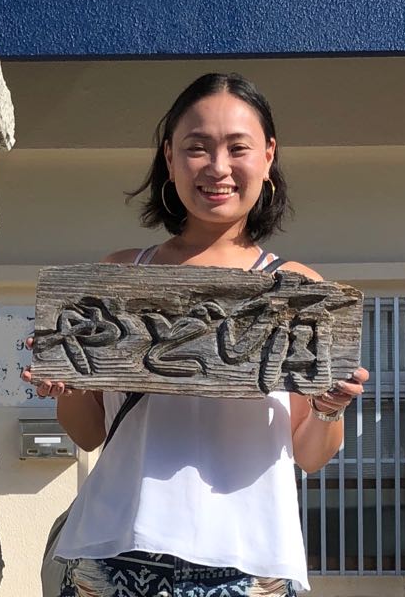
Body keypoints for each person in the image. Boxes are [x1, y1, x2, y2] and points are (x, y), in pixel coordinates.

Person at [21, 72, 370, 596]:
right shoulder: (119, 276)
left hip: (250, 566)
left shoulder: (298, 290)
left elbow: (310, 454)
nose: (218, 167)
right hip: (112, 553)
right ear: (169, 157)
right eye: (197, 147)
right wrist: (65, 386)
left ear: (268, 156)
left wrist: (329, 408)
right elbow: (89, 433)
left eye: (238, 147)